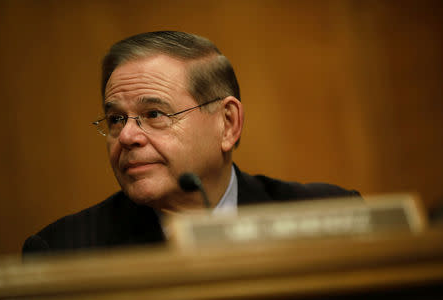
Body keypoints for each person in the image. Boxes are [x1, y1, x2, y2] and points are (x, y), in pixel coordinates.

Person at [23, 31, 359, 255]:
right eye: (116, 119)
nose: (126, 136)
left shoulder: (333, 218)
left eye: (154, 113)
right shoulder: (62, 251)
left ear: (227, 123)